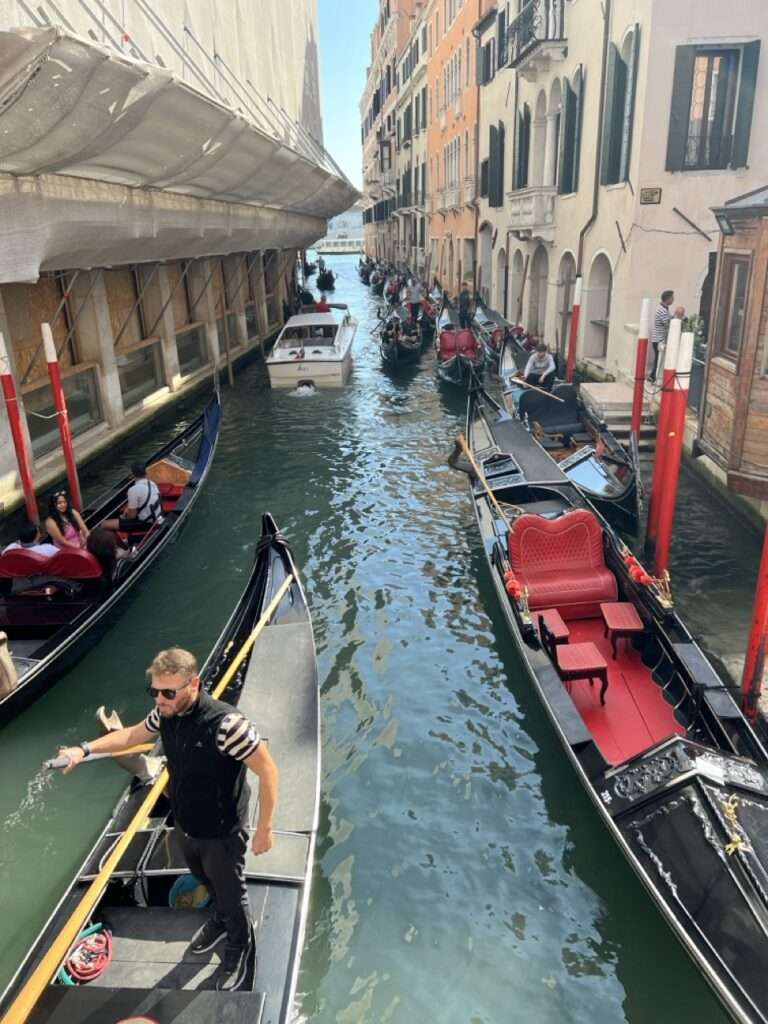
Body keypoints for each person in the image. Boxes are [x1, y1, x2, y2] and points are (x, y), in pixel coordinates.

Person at [55, 646, 278, 993]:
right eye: (155, 691)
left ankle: (239, 943)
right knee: (204, 878)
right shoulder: (165, 714)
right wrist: (83, 749)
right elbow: (131, 735)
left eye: (168, 692)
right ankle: (219, 917)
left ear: (194, 685)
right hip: (186, 823)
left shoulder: (227, 725)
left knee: (232, 892)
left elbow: (268, 771)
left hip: (222, 832)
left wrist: (264, 829)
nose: (160, 699)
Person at [102, 463, 163, 535]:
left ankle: (122, 544)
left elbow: (132, 517)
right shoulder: (152, 483)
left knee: (104, 524)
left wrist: (123, 517)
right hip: (157, 518)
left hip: (145, 523)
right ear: (146, 472)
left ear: (132, 475)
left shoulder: (133, 490)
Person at [649, 289, 678, 382]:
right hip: (659, 339)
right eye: (672, 298)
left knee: (658, 358)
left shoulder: (664, 309)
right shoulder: (662, 310)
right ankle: (653, 377)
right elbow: (668, 324)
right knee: (658, 359)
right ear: (668, 299)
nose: (673, 300)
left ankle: (653, 376)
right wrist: (676, 318)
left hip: (658, 339)